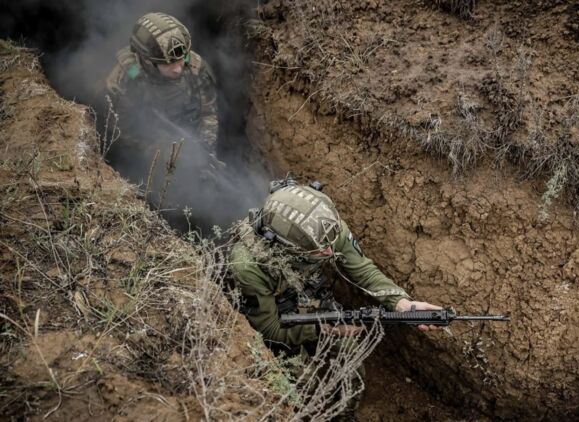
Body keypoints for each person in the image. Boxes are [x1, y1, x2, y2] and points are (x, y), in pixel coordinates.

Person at [229, 179, 442, 354]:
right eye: (320, 250)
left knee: (348, 350)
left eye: (331, 243)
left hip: (305, 292)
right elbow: (269, 329)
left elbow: (363, 271)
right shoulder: (248, 265)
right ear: (287, 247)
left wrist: (401, 303)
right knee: (299, 373)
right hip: (272, 309)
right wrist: (323, 329)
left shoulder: (327, 230)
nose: (330, 251)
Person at [105, 12, 218, 150]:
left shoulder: (196, 68)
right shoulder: (127, 78)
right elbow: (119, 132)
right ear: (148, 61)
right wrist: (155, 149)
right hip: (144, 144)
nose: (178, 69)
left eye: (181, 59)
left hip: (187, 137)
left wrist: (205, 146)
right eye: (168, 64)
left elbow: (208, 114)